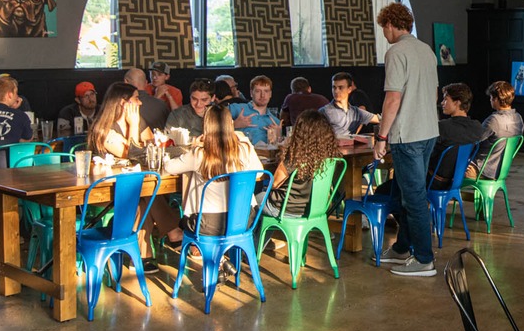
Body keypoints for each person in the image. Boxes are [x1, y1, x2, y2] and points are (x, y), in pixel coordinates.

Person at [372, 2, 440, 277]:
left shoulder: (396, 52)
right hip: (428, 131)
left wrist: (381, 136)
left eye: (383, 28)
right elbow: (434, 94)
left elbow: (392, 98)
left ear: (389, 24)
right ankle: (402, 247)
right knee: (403, 193)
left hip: (407, 135)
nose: (384, 33)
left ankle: (424, 259)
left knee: (413, 199)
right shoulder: (426, 50)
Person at [88, 82, 182, 272]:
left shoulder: (138, 121)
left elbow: (150, 147)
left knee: (142, 197)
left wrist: (138, 129)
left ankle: (143, 256)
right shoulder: (103, 129)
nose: (139, 103)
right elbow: (131, 155)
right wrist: (133, 127)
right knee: (143, 193)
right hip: (106, 190)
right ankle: (173, 232)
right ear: (123, 103)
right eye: (136, 99)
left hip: (133, 188)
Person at [164, 105, 263, 277]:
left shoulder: (199, 154)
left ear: (206, 126)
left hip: (207, 225)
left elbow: (169, 166)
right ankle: (220, 261)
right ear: (230, 124)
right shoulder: (245, 149)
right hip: (242, 220)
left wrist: (193, 146)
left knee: (184, 220)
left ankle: (217, 262)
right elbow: (260, 173)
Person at [256, 109, 340, 254]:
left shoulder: (294, 157)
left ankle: (252, 247)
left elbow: (274, 183)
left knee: (254, 198)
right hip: (313, 209)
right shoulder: (328, 158)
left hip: (284, 208)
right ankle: (261, 242)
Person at [427, 83, 484, 190]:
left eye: (445, 99)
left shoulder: (442, 127)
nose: (442, 103)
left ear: (457, 102)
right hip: (456, 182)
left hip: (433, 181)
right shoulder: (477, 127)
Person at [467, 81, 524, 180]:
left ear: (497, 99)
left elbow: (474, 139)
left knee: (449, 167)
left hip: (482, 169)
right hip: (501, 169)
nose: (490, 100)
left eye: (491, 98)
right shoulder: (518, 118)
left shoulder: (494, 120)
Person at [319, 72, 378, 139]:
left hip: (353, 148)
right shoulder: (324, 112)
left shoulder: (356, 112)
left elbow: (379, 119)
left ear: (349, 89)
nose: (336, 91)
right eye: (334, 87)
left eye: (340, 87)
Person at [229, 75, 281, 146]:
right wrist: (233, 125)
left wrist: (278, 137)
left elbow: (276, 149)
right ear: (251, 93)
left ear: (270, 94)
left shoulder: (275, 122)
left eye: (266, 91)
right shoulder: (236, 108)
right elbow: (211, 124)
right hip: (240, 155)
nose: (262, 95)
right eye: (258, 91)